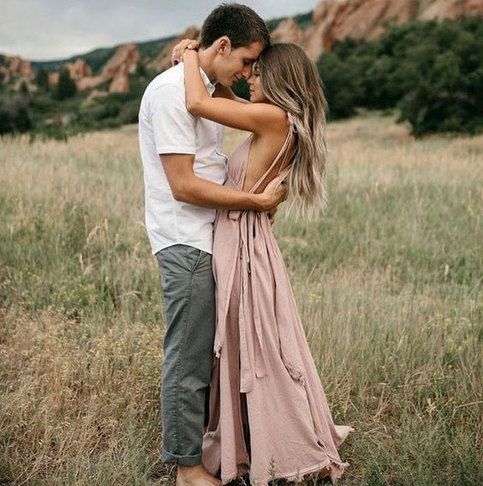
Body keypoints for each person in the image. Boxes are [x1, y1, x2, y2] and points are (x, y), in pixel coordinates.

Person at [172, 38, 354, 485]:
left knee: (253, 344)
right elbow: (221, 98)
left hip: (242, 242)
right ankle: (255, 434)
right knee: (251, 340)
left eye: (256, 71)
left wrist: (190, 56)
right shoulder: (278, 119)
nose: (249, 76)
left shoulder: (272, 118)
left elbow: (198, 100)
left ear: (277, 79)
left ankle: (276, 441)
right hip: (247, 238)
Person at [137, 4, 287, 486]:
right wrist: (253, 200)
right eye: (245, 61)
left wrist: (190, 59)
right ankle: (187, 469)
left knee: (212, 353)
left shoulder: (195, 86)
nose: (246, 75)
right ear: (222, 46)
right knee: (189, 355)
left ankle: (221, 445)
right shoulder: (169, 93)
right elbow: (183, 184)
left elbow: (225, 113)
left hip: (210, 236)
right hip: (186, 238)